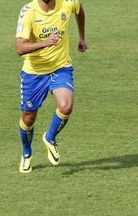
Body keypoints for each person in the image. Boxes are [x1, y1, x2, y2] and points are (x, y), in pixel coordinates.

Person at [15, 0, 87, 173]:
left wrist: (82, 37)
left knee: (66, 106)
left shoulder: (67, 2)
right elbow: (19, 47)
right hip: (34, 73)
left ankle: (50, 137)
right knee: (28, 118)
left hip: (60, 67)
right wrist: (45, 43)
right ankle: (26, 153)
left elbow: (79, 10)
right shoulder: (28, 12)